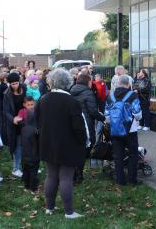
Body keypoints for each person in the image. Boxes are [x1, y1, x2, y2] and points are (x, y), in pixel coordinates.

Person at [35, 68, 86, 219]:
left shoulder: (43, 99)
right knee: (65, 178)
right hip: (67, 145)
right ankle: (69, 212)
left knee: (51, 176)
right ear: (68, 83)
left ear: (52, 82)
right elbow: (78, 127)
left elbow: (37, 121)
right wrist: (83, 142)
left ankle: (49, 208)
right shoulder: (72, 102)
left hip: (48, 143)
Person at [105, 75, 142, 186]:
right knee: (133, 154)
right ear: (128, 84)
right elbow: (137, 114)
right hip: (130, 130)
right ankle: (132, 179)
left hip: (115, 131)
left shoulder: (110, 96)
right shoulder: (132, 95)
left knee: (118, 156)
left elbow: (106, 116)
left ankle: (120, 180)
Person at [70, 74, 105, 183]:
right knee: (87, 147)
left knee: (76, 148)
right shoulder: (88, 92)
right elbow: (93, 111)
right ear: (87, 82)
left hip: (73, 123)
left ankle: (74, 172)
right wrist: (103, 117)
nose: (92, 83)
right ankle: (78, 174)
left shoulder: (71, 90)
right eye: (91, 81)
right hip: (86, 123)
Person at [3, 72, 27, 178]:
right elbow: (5, 111)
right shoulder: (7, 94)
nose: (15, 86)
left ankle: (28, 166)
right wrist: (13, 119)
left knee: (27, 145)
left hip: (26, 121)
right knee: (17, 147)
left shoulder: (25, 88)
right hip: (15, 124)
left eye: (16, 83)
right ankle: (16, 169)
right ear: (9, 84)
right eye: (12, 84)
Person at [18, 96, 39, 191]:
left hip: (24, 154)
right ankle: (33, 186)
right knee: (33, 171)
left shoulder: (24, 128)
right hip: (33, 154)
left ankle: (26, 183)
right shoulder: (35, 130)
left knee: (26, 169)